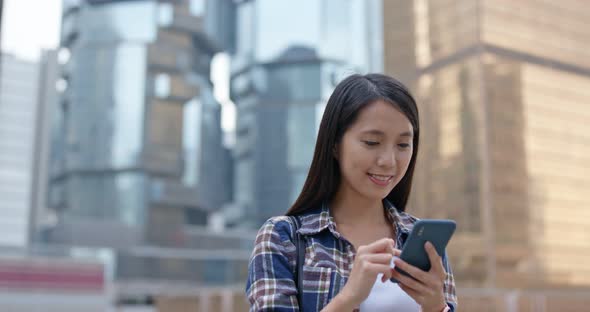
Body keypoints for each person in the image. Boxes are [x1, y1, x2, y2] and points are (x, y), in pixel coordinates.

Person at [246, 73, 457, 311]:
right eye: (371, 142)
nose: (389, 161)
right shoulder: (284, 238)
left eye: (402, 145)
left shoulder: (420, 240)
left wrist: (437, 307)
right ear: (335, 144)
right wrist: (348, 298)